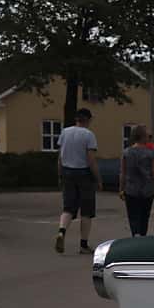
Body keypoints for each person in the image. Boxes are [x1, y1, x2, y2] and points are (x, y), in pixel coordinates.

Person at [54, 108, 98, 254]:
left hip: (67, 172)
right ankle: (83, 244)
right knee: (86, 210)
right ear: (87, 119)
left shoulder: (65, 132)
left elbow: (60, 157)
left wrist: (60, 174)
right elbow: (91, 159)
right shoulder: (89, 135)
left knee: (68, 207)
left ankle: (61, 231)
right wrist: (97, 177)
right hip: (83, 173)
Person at [119, 125, 154, 237]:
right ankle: (142, 237)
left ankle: (135, 234)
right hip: (147, 190)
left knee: (133, 216)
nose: (150, 138)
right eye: (148, 136)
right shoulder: (150, 153)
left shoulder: (126, 152)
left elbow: (123, 173)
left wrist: (121, 189)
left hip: (131, 189)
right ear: (143, 137)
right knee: (144, 216)